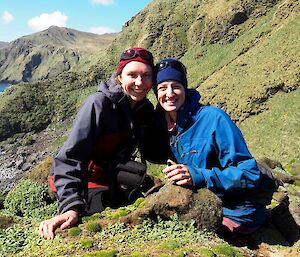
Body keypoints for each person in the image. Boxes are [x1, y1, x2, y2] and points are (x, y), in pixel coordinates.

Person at [146, 58, 277, 234]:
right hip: (204, 201)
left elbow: (250, 173)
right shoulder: (165, 124)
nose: (169, 93)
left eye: (176, 86)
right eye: (162, 88)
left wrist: (198, 175)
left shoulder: (214, 118)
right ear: (156, 94)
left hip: (237, 210)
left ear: (185, 88)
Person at [39, 47, 155, 239]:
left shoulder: (145, 110)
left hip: (109, 176)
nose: (140, 82)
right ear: (120, 77)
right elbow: (69, 157)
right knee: (103, 227)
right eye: (132, 75)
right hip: (83, 179)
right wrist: (70, 206)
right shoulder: (98, 104)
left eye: (146, 76)